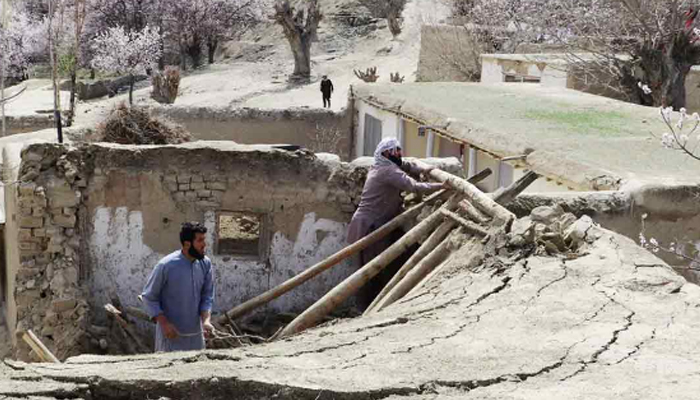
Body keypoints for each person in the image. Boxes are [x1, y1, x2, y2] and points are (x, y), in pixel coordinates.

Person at [347, 137, 444, 309]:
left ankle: (371, 305)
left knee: (377, 265)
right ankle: (369, 307)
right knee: (372, 269)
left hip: (373, 223)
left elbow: (407, 165)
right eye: (395, 151)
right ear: (386, 153)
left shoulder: (383, 165)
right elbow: (414, 186)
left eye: (399, 150)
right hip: (371, 226)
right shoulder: (387, 171)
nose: (399, 154)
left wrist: (425, 168)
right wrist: (442, 186)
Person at [141, 222, 215, 352]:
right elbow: (149, 297)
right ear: (187, 244)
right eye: (200, 240)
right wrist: (164, 324)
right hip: (170, 338)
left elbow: (207, 296)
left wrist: (206, 321)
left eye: (204, 240)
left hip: (196, 339)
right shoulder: (165, 265)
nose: (204, 245)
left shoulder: (205, 264)